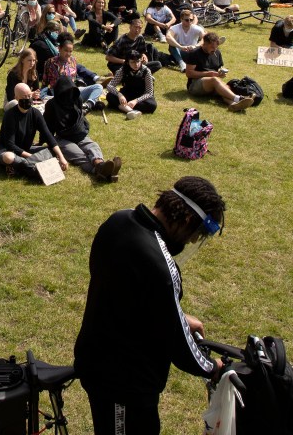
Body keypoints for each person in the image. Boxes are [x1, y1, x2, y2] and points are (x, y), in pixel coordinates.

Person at [75, 177, 226, 435]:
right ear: (187, 220)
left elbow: (128, 294)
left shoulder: (118, 221)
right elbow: (177, 343)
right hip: (123, 384)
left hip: (95, 357)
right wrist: (211, 367)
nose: (190, 242)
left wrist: (178, 315)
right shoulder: (159, 265)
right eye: (195, 235)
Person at [43, 77, 122, 182]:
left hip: (79, 134)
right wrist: (45, 143)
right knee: (79, 155)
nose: (68, 94)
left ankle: (100, 165)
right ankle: (102, 172)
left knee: (93, 146)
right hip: (62, 138)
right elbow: (46, 127)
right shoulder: (51, 105)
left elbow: (80, 118)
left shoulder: (76, 99)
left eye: (71, 91)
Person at [0, 82, 69, 179]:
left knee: (54, 150)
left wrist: (61, 157)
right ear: (16, 98)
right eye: (24, 96)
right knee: (9, 157)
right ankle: (29, 166)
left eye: (29, 95)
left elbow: (48, 136)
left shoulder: (35, 113)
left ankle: (19, 167)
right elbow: (10, 145)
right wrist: (33, 157)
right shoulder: (10, 115)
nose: (28, 99)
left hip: (26, 148)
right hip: (6, 150)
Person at [184, 32, 254, 112]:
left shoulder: (217, 52)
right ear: (205, 44)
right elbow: (189, 73)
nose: (214, 49)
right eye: (212, 47)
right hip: (194, 85)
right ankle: (239, 98)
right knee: (215, 80)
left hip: (211, 83)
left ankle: (234, 104)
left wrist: (220, 73)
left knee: (225, 88)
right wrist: (209, 74)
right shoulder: (194, 53)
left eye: (216, 47)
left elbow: (217, 69)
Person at [107, 50, 157, 119]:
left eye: (138, 61)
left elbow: (149, 92)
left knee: (152, 105)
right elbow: (110, 85)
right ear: (127, 62)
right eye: (133, 62)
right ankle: (131, 111)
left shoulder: (146, 71)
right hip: (127, 94)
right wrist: (119, 95)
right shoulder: (123, 70)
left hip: (141, 96)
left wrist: (136, 101)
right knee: (110, 96)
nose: (136, 64)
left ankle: (124, 107)